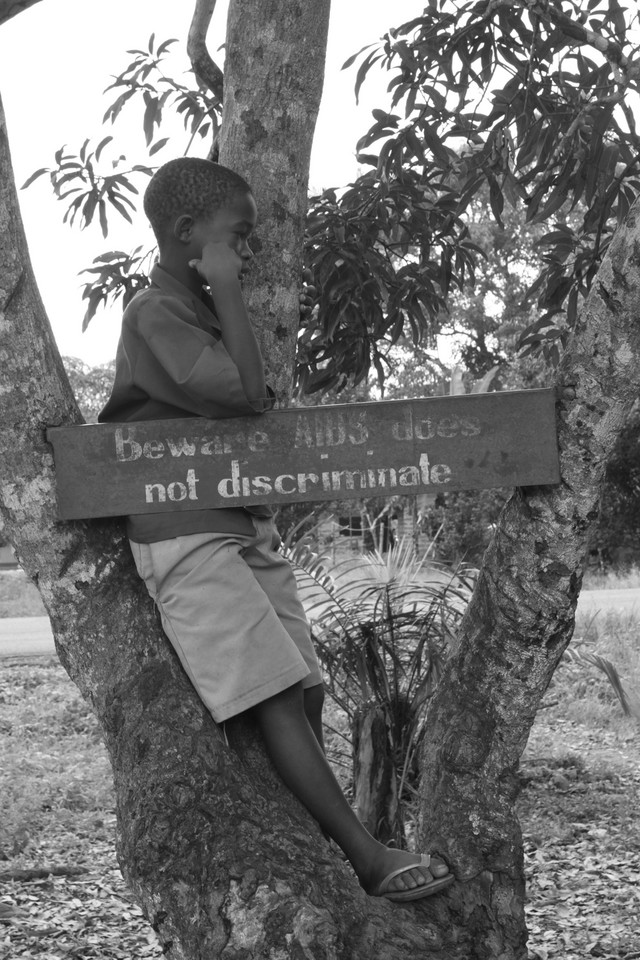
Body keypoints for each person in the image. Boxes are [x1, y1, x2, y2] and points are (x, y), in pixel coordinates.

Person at [99, 156, 454, 903]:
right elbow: (242, 393)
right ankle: (365, 854)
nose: (251, 250)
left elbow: (249, 392)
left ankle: (313, 836)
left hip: (239, 523)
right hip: (184, 533)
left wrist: (222, 288)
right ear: (187, 232)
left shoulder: (194, 307)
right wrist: (227, 284)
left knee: (308, 686)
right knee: (275, 695)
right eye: (240, 236)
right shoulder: (154, 312)